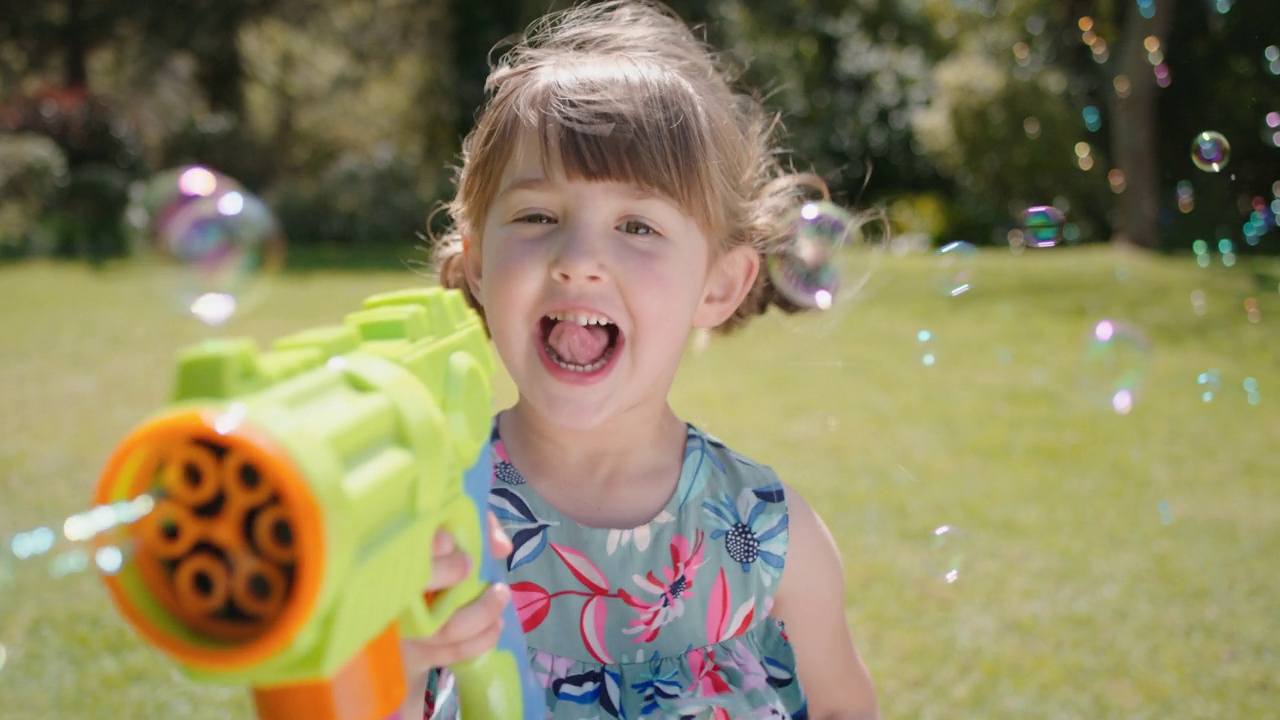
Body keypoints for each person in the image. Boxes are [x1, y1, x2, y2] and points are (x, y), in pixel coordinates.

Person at [401, 0, 880, 717]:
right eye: (538, 217)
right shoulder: (431, 524)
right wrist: (395, 664)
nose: (580, 261)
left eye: (637, 224)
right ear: (475, 264)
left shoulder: (770, 538)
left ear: (718, 285)